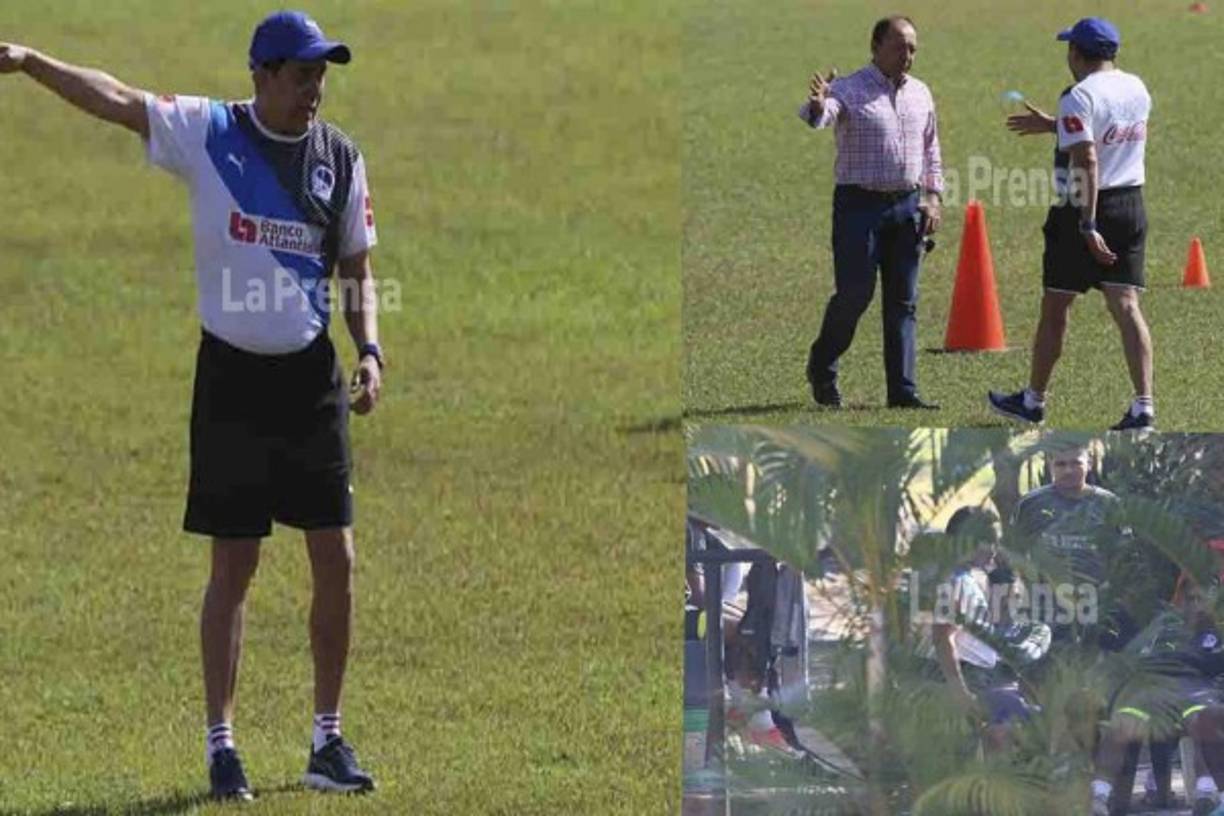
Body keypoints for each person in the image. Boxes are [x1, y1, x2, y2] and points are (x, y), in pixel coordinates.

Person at [0, 10, 382, 800]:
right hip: (232, 382)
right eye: (302, 72)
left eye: (322, 73)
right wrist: (34, 61)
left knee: (336, 560)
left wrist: (370, 349)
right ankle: (223, 748)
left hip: (310, 380)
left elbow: (357, 267)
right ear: (262, 75)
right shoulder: (207, 131)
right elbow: (114, 99)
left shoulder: (341, 159)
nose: (316, 88)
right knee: (234, 564)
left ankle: (328, 741)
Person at [988, 17, 1154, 431]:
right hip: (1131, 203)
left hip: (1083, 208)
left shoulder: (1078, 95)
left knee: (1056, 306)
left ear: (1076, 54)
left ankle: (1033, 401)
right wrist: (1055, 127)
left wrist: (1087, 223)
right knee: (1127, 306)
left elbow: (1089, 159)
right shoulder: (1137, 87)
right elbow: (1109, 136)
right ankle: (1144, 407)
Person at [798, 15, 943, 411]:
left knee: (903, 302)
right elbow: (822, 114)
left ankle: (903, 391)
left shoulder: (921, 93)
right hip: (858, 206)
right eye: (899, 47)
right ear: (876, 47)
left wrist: (933, 197)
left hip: (907, 205)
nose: (907, 55)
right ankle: (822, 365)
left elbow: (931, 149)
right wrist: (816, 106)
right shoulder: (849, 88)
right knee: (855, 294)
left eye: (912, 48)